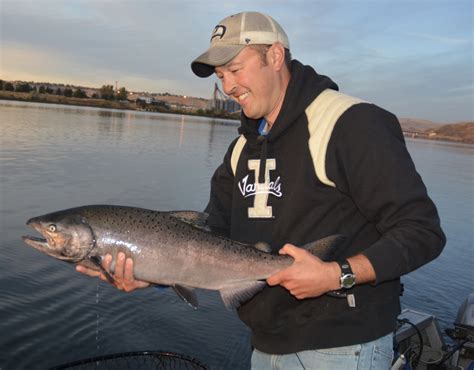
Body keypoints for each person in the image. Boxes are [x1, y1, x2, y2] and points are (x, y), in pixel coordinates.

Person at [77, 11, 446, 369]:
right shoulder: (239, 151)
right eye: (221, 76)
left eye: (236, 70)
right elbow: (208, 241)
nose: (229, 86)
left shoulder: (350, 124)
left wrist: (337, 274)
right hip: (265, 345)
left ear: (275, 55)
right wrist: (150, 271)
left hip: (344, 348)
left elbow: (422, 232)